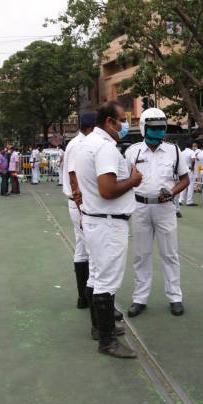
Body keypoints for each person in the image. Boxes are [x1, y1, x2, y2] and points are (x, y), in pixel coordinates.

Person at [75, 101, 141, 358]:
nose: (125, 124)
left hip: (95, 219)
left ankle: (98, 327)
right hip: (107, 221)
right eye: (122, 120)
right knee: (106, 281)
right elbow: (108, 189)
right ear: (109, 122)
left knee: (96, 276)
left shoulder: (86, 144)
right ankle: (107, 340)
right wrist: (133, 180)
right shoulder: (104, 148)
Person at [124, 108, 190, 318]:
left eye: (161, 128)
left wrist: (171, 192)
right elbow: (125, 181)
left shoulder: (174, 151)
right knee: (141, 254)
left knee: (170, 253)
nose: (158, 132)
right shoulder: (132, 152)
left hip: (165, 208)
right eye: (154, 128)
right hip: (140, 207)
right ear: (144, 128)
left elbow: (185, 180)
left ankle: (175, 297)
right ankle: (140, 298)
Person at [63, 112, 96, 309]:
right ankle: (96, 302)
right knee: (94, 252)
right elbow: (74, 177)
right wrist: (83, 210)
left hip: (76, 203)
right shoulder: (80, 145)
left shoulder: (75, 143)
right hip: (80, 203)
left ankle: (83, 298)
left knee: (82, 249)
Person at [178, 142, 197, 207]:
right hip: (189, 169)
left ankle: (180, 200)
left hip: (183, 170)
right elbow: (193, 160)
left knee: (183, 185)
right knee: (190, 185)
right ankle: (189, 201)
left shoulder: (182, 152)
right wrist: (192, 166)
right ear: (191, 146)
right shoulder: (191, 152)